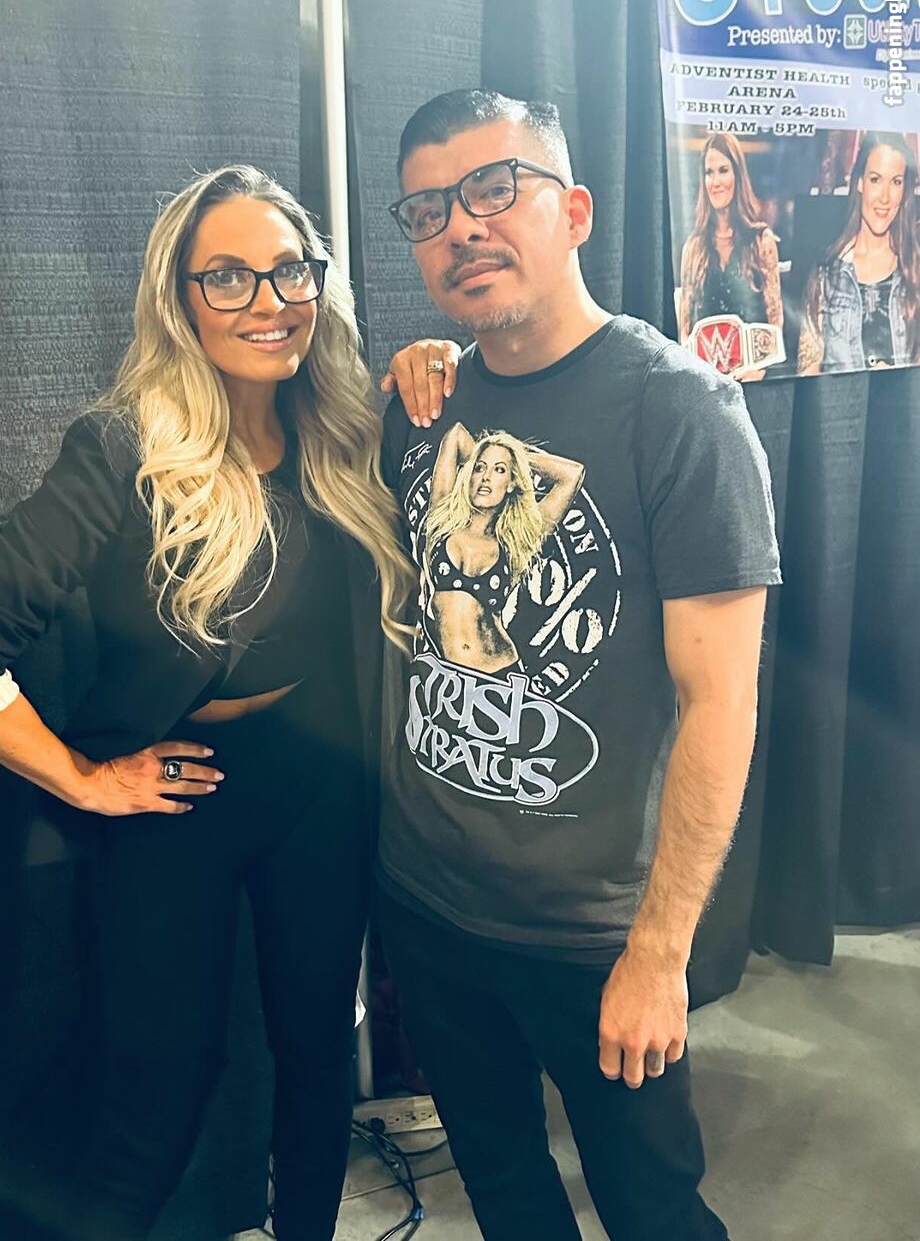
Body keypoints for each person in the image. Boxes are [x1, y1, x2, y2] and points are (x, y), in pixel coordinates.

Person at [0, 164, 435, 1241]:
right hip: (182, 799)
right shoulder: (122, 449)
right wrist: (82, 780)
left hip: (322, 786)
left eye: (290, 271)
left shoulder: (344, 432)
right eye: (227, 277)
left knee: (316, 1057)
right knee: (161, 1091)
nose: (267, 301)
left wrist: (435, 361)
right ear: (179, 298)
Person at [379, 90, 781, 1240]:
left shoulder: (680, 412)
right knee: (504, 1189)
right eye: (428, 210)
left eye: (494, 189)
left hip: (594, 931)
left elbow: (720, 702)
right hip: (428, 900)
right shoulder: (421, 402)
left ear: (576, 212)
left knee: (652, 1208)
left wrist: (661, 951)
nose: (462, 226)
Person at [423, 422, 583, 672]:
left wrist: (513, 458)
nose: (486, 477)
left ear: (511, 483)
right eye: (479, 467)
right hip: (449, 676)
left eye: (499, 470)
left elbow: (572, 474)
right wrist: (491, 453)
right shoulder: (442, 519)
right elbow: (455, 435)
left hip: (500, 675)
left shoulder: (514, 542)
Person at [798, 130, 920, 374]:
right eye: (876, 179)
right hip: (842, 400)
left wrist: (894, 382)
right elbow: (808, 375)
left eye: (896, 182)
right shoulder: (826, 275)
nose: (885, 197)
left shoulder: (914, 269)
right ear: (860, 182)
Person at [678, 131, 783, 380]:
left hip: (753, 380)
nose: (715, 181)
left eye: (723, 170)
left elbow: (775, 318)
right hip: (706, 382)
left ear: (737, 174)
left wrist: (759, 370)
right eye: (709, 172)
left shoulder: (761, 242)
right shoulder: (693, 247)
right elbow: (684, 327)